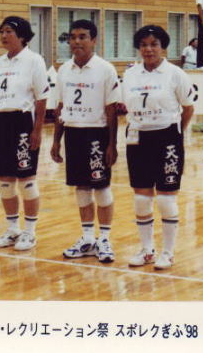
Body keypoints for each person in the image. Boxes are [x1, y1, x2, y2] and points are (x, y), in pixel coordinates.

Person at [122, 25, 194, 270]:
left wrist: (175, 133)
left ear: (163, 47)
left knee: (165, 200)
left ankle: (168, 252)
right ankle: (146, 250)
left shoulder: (175, 74)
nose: (148, 49)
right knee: (141, 199)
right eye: (144, 45)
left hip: (167, 138)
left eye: (154, 44)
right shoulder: (130, 74)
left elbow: (188, 108)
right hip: (137, 137)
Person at [51, 20, 119, 263]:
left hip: (97, 134)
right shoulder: (64, 70)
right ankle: (88, 238)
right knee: (81, 188)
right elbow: (60, 106)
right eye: (73, 37)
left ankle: (105, 239)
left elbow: (112, 110)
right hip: (73, 133)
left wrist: (112, 144)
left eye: (82, 37)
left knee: (101, 188)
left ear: (94, 40)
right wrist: (56, 140)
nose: (76, 41)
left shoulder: (105, 69)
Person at [0, 16, 49, 251]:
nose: (4, 36)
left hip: (22, 122)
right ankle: (12, 229)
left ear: (22, 35)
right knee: (4, 181)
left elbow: (41, 98)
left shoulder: (34, 60)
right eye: (1, 31)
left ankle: (29, 232)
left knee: (26, 181)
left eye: (9, 32)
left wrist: (37, 130)